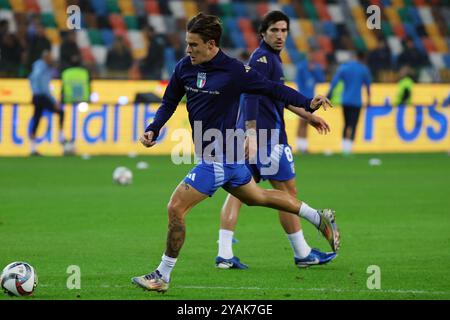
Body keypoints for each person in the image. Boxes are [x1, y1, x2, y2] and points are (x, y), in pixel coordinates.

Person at [131, 13, 340, 293]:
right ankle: (317, 216)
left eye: (194, 45)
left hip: (219, 157)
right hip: (227, 158)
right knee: (259, 197)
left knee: (175, 208)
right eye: (187, 44)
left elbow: (273, 89)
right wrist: (154, 128)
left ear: (211, 44)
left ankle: (162, 275)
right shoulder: (184, 67)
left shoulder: (234, 71)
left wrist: (308, 104)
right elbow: (169, 102)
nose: (188, 50)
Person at [215, 11, 337, 271]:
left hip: (250, 137)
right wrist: (251, 133)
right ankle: (302, 252)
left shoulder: (270, 59)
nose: (280, 35)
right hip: (265, 138)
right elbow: (249, 94)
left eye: (284, 31)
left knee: (239, 191)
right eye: (274, 31)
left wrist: (308, 116)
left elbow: (276, 96)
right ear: (263, 33)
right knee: (287, 193)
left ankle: (224, 253)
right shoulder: (262, 59)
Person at [327, 51, 371, 155]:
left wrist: (329, 94)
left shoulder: (344, 68)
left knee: (346, 124)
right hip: (356, 102)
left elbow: (335, 82)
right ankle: (349, 148)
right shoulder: (363, 69)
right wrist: (369, 100)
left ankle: (344, 148)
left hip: (346, 100)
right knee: (353, 124)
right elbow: (368, 86)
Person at [29, 50, 67, 156]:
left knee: (36, 119)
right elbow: (45, 87)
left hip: (37, 96)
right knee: (60, 112)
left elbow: (32, 79)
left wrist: (33, 90)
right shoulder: (42, 68)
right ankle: (61, 137)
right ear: (45, 57)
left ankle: (32, 148)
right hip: (42, 96)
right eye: (50, 57)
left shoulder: (40, 67)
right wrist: (54, 101)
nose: (52, 59)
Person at [295, 48, 325, 154]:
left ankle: (304, 146)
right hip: (302, 99)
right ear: (307, 54)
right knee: (301, 121)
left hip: (312, 100)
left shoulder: (315, 67)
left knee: (308, 121)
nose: (312, 56)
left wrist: (315, 71)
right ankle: (299, 145)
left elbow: (321, 79)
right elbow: (298, 82)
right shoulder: (301, 66)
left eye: (313, 54)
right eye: (310, 53)